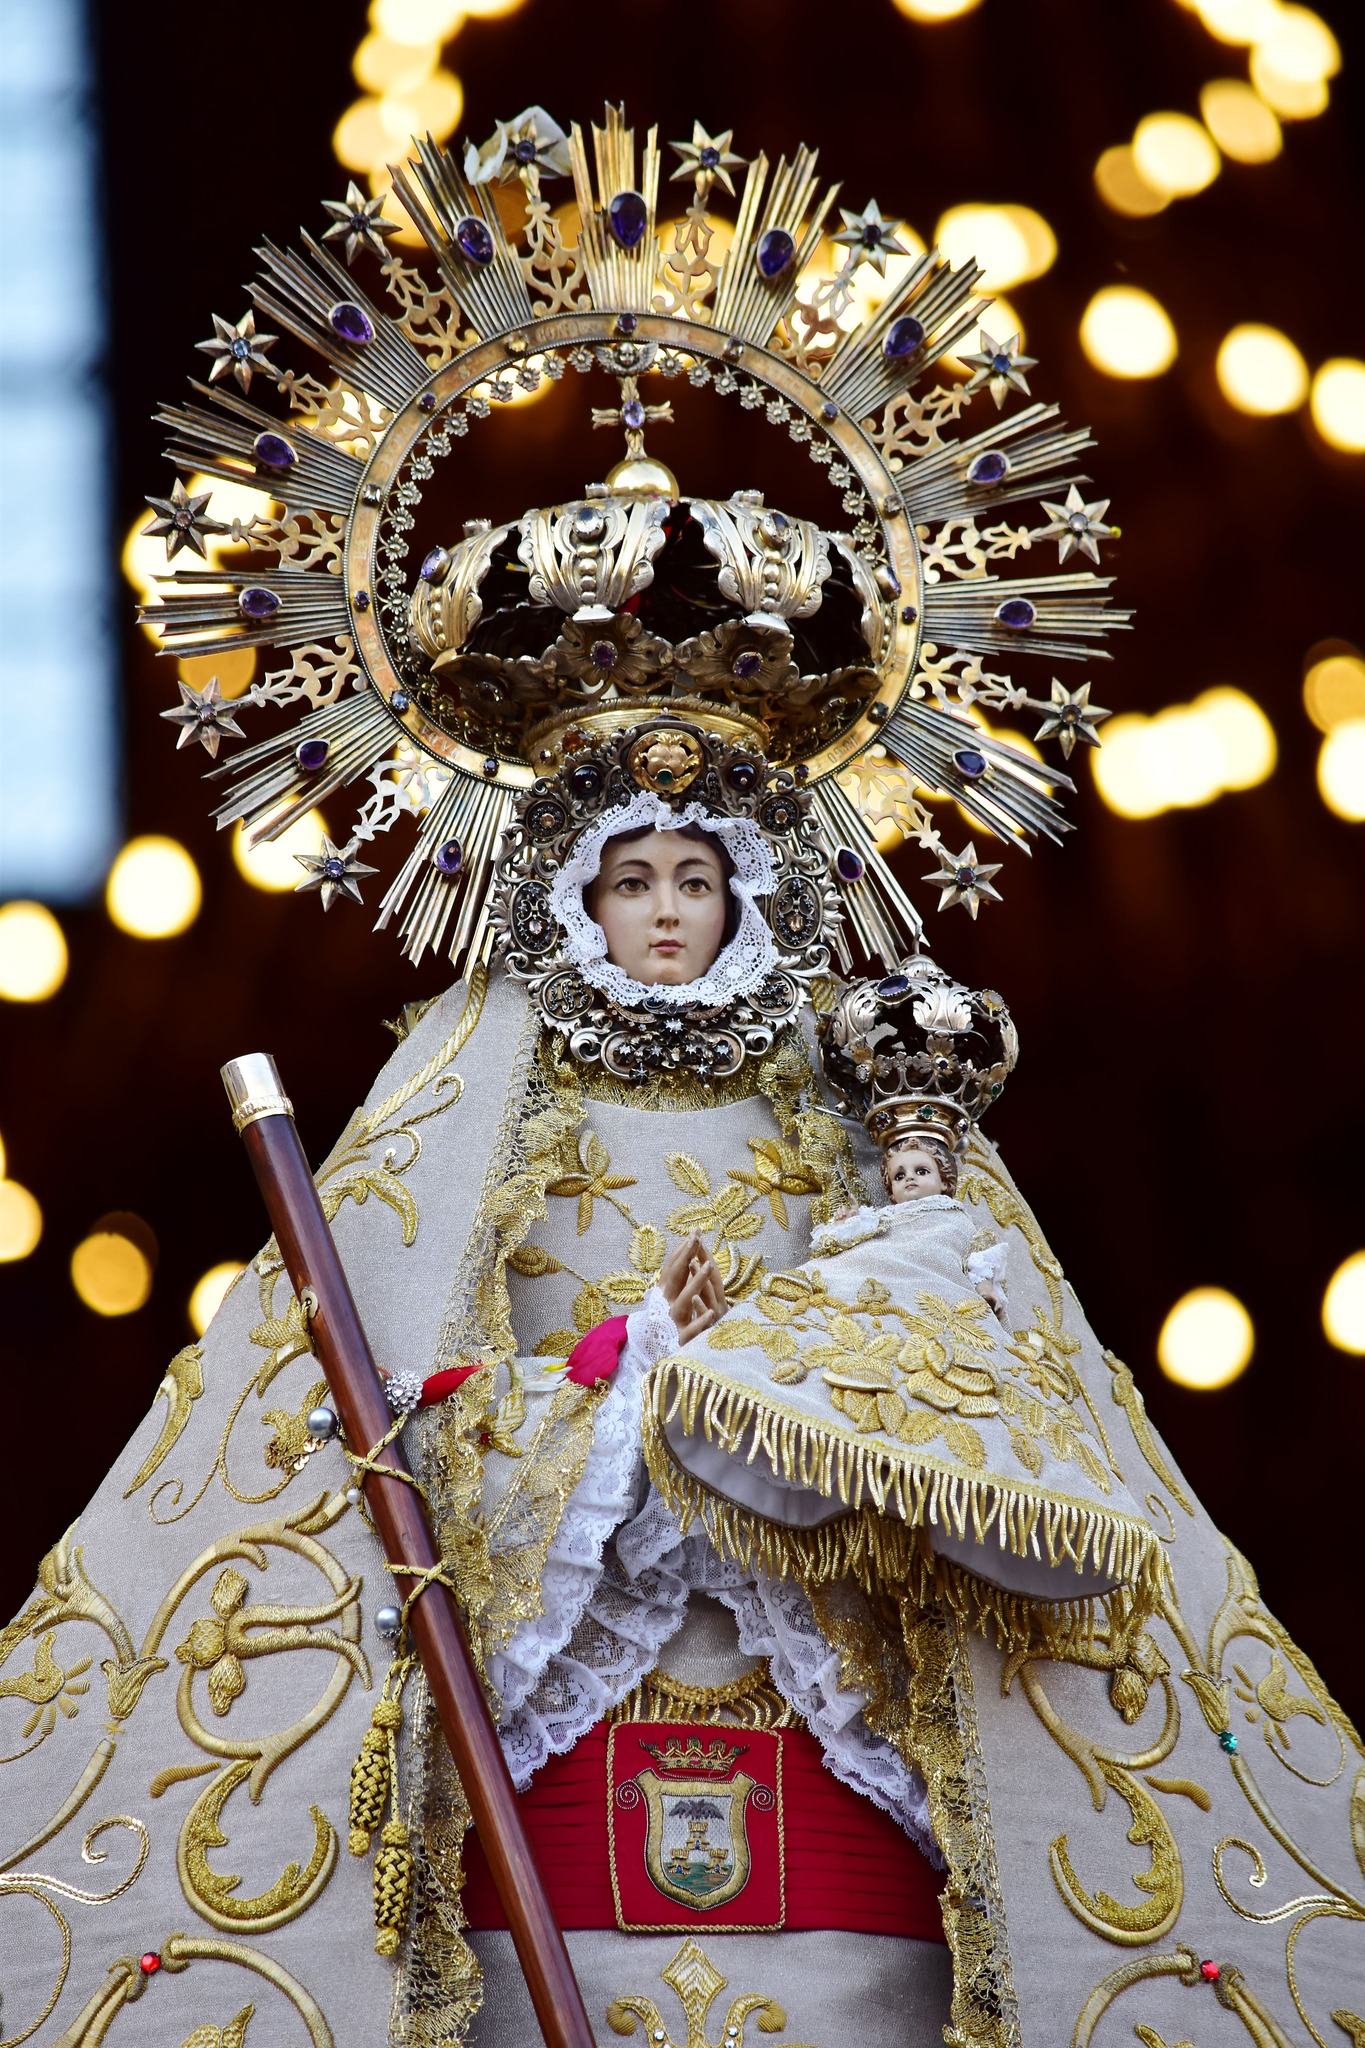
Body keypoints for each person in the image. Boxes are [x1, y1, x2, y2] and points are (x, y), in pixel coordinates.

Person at [4, 104, 1359, 2048]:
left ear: (763, 875)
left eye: (695, 874)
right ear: (554, 881)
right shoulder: (451, 1132)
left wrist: (781, 1370)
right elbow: (370, 1455)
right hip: (558, 1729)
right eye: (625, 877)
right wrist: (618, 1388)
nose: (658, 910)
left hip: (830, 1736)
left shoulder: (860, 1091)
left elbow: (999, 1444)